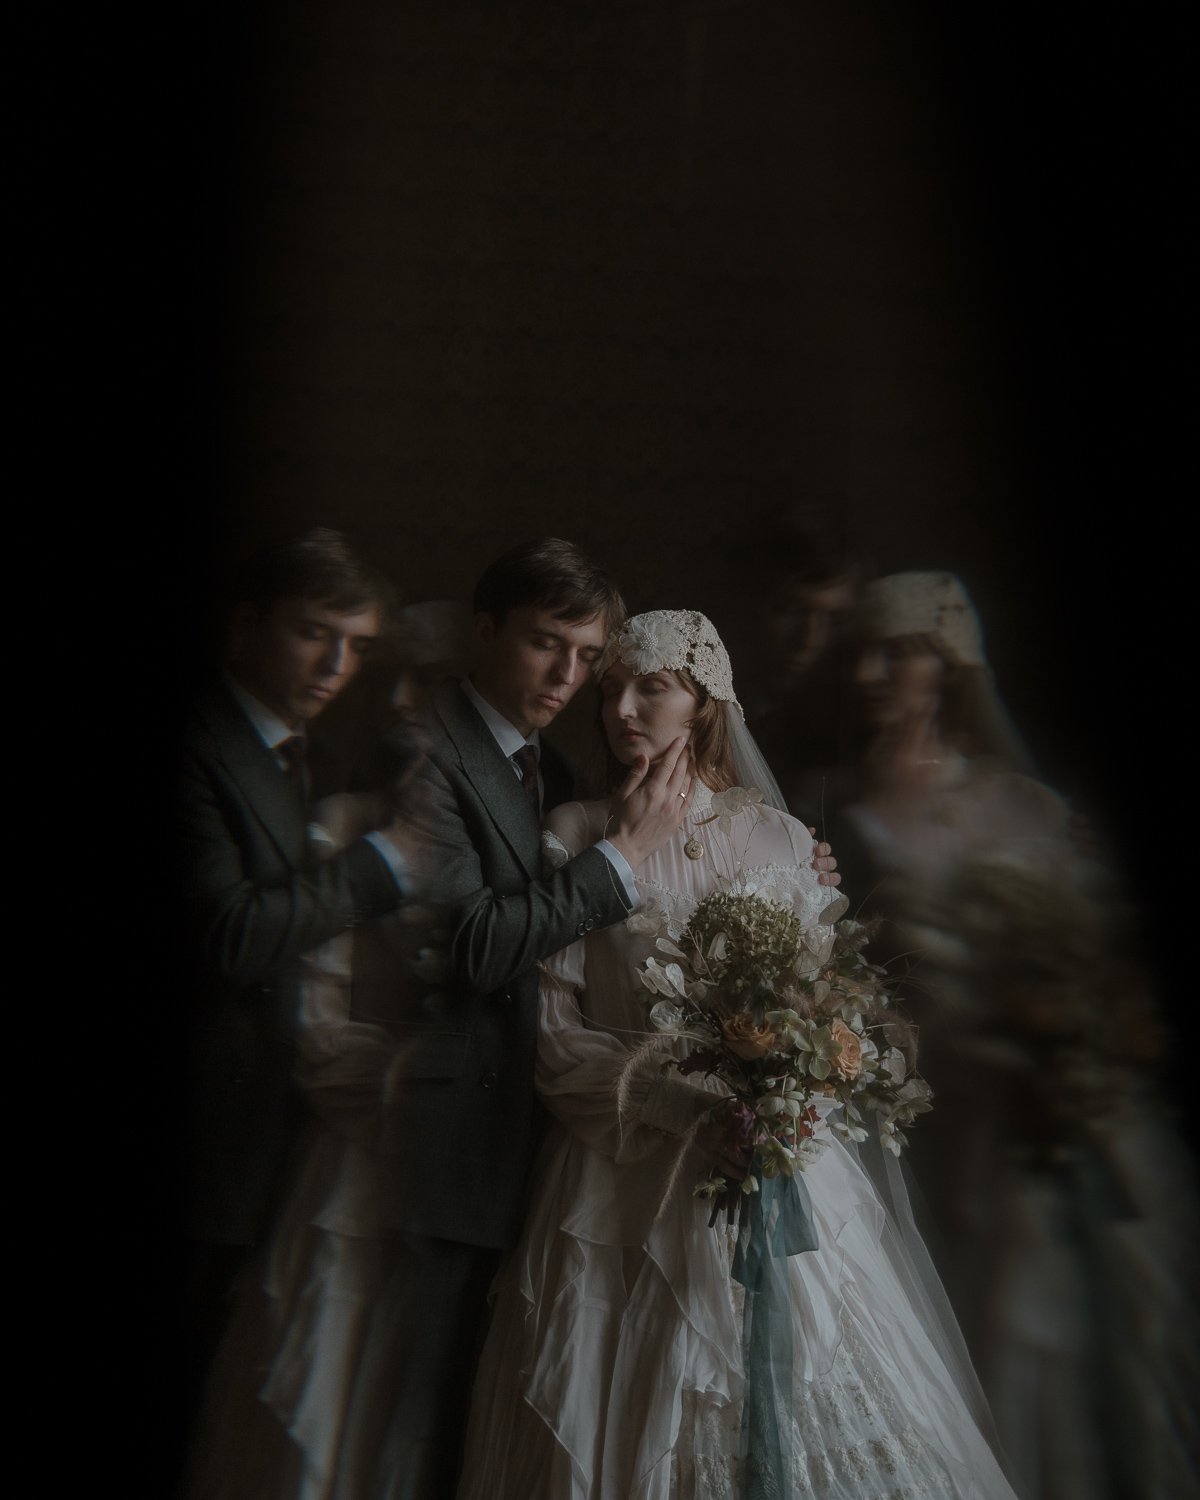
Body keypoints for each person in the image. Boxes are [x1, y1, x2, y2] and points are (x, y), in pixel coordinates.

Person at [456, 608, 1019, 1500]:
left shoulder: (782, 839)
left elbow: (823, 1015)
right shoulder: (573, 829)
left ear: (704, 703)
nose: (622, 709)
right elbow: (555, 1040)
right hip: (620, 1167)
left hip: (773, 1160)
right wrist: (690, 1108)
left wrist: (789, 1104)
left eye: (652, 688)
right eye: (611, 690)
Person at [826, 570, 1199, 1500]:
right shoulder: (841, 812)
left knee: (1094, 1329)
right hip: (934, 1118)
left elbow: (1086, 953)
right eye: (865, 655)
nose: (872, 675)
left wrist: (1067, 1046)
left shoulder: (1023, 804)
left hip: (1040, 1105)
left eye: (898, 654)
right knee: (981, 1331)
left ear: (948, 665)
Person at [177, 528, 418, 1401]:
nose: (336, 665)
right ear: (248, 622)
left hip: (266, 1131)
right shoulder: (198, 745)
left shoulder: (300, 750)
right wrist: (380, 865)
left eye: (357, 645)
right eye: (314, 632)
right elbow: (232, 935)